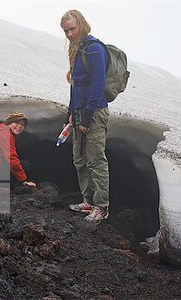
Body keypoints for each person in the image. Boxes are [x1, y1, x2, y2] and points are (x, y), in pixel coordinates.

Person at [60, 9, 110, 224]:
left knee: (95, 161)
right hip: (79, 112)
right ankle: (88, 200)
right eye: (66, 31)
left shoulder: (94, 49)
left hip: (94, 112)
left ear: (81, 24)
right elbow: (75, 86)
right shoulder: (76, 49)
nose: (70, 34)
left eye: (72, 28)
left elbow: (98, 84)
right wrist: (70, 113)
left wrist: (88, 115)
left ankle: (102, 207)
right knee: (79, 159)